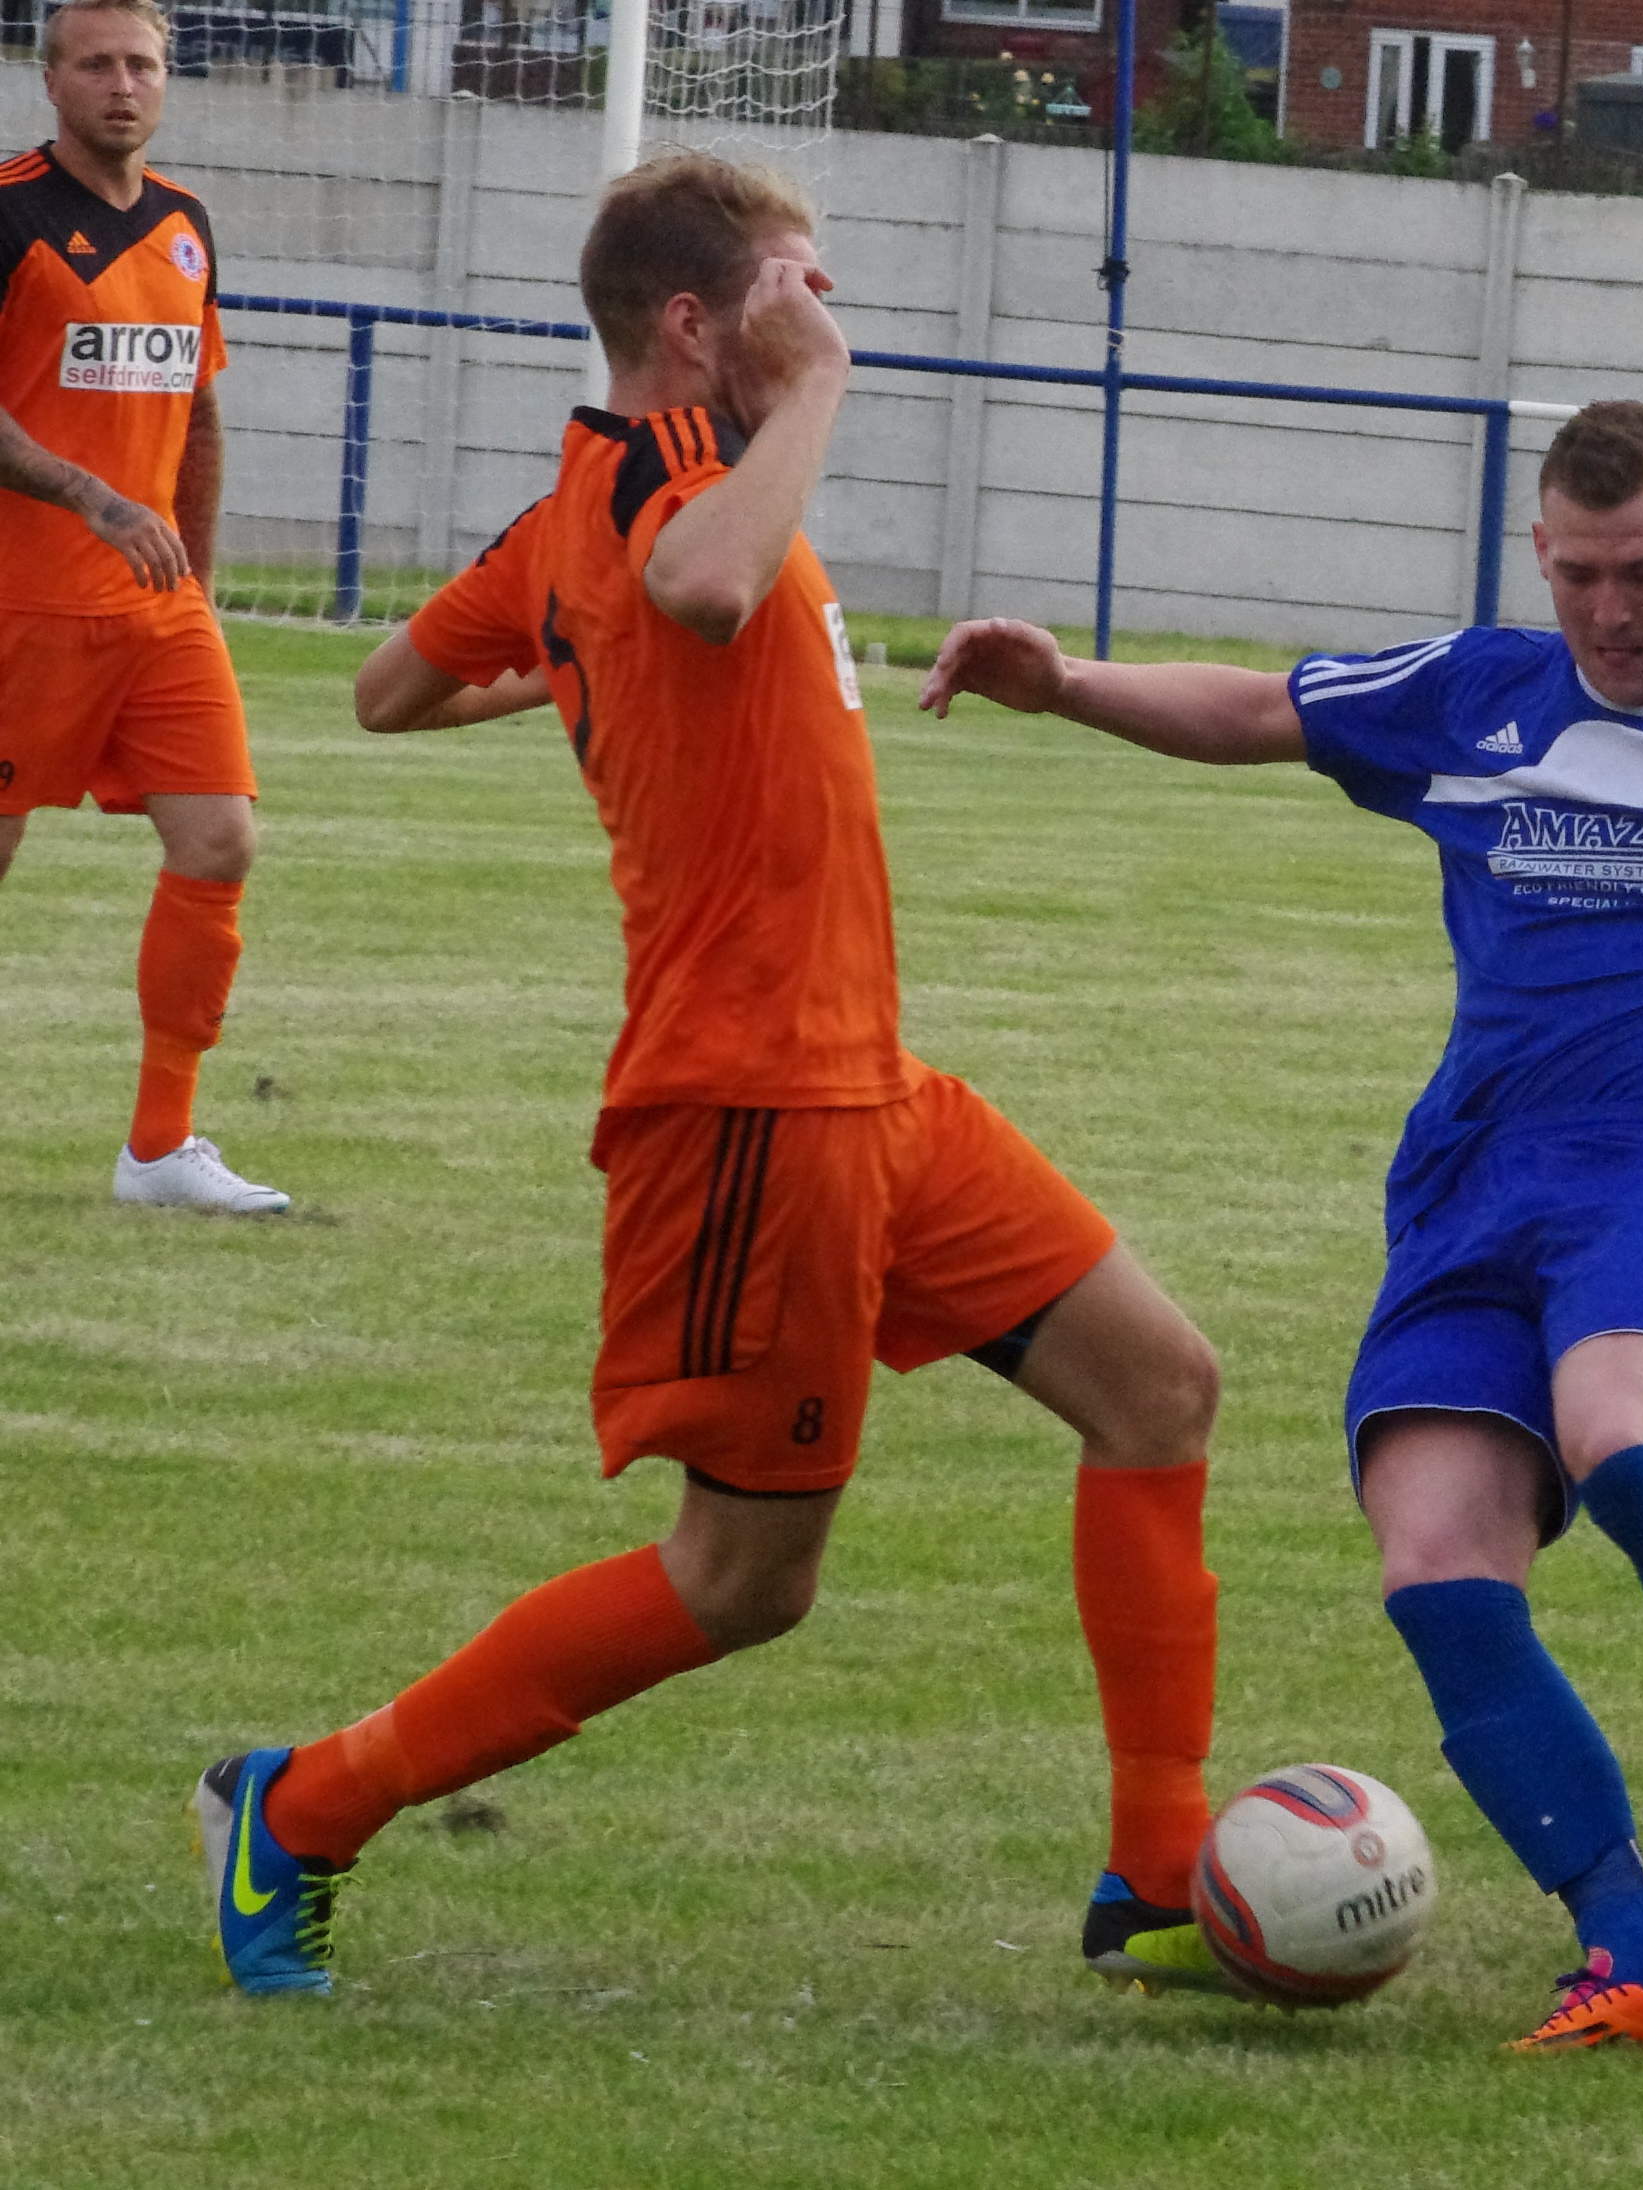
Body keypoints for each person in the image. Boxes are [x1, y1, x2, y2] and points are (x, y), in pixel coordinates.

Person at [197, 152, 1231, 2002]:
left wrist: (566, 670)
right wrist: (813, 393)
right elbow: (695, 582)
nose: (826, 321)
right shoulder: (685, 486)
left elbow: (386, 689)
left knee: (1158, 1385)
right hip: (753, 1102)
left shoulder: (567, 515)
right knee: (742, 1581)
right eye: (796, 294)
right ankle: (299, 1808)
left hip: (873, 1089)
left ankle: (1156, 1873)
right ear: (699, 325)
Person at [919, 400, 1643, 2051]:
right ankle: (1634, 1959)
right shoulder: (1477, 693)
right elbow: (1254, 708)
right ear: (1542, 559)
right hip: (1474, 1174)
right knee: (1435, 1553)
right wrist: (1067, 686)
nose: (1610, 609)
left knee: (1616, 1436)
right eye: (1579, 575)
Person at [0, 0, 283, 1212]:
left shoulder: (185, 225)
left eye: (144, 64)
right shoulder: (7, 212)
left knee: (219, 841)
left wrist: (202, 592)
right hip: (21, 606)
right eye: (98, 63)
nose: (124, 83)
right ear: (50, 79)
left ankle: (160, 1150)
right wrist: (94, 498)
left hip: (159, 616)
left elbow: (201, 415)